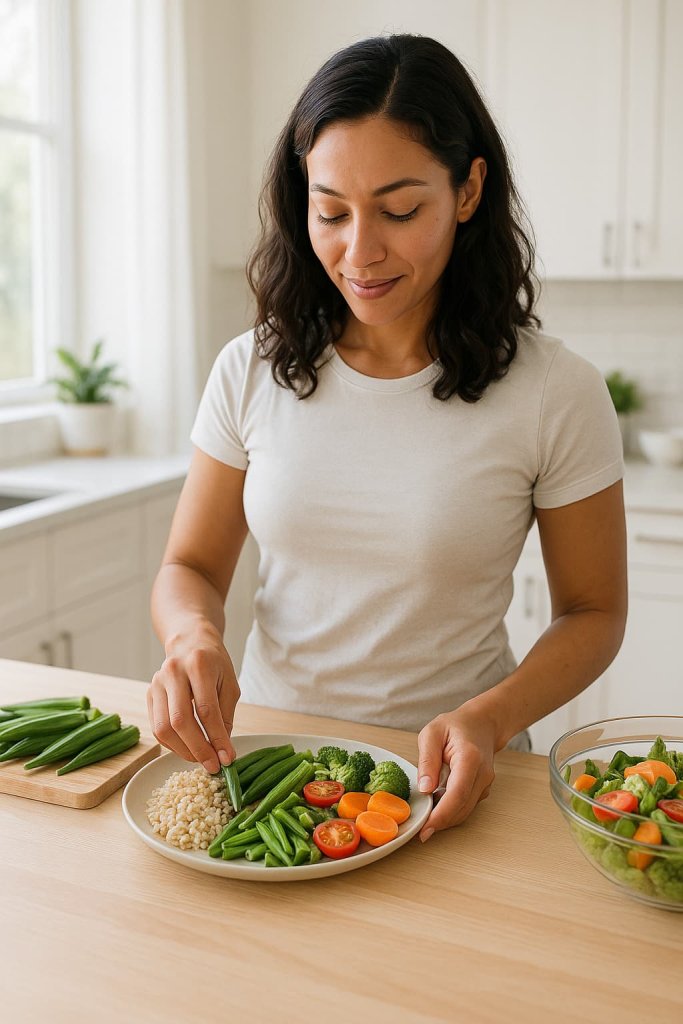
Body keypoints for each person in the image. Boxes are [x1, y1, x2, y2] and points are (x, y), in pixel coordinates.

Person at [147, 34, 627, 843]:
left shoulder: (553, 390)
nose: (358, 252)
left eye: (400, 211)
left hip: (455, 777)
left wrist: (486, 717)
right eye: (329, 210)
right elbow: (188, 566)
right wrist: (193, 633)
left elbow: (593, 611)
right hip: (265, 766)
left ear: (468, 190)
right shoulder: (250, 367)